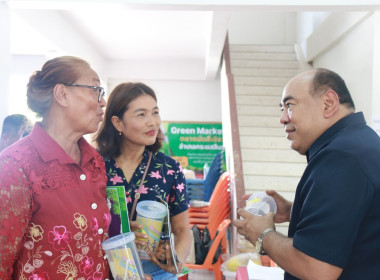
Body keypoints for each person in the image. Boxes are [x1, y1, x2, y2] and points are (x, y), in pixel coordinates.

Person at [233, 68, 380, 280]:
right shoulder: (360, 144)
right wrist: (296, 211)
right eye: (281, 109)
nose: (283, 119)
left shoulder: (341, 157)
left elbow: (317, 268)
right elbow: (355, 219)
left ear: (328, 103)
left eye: (290, 105)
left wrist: (263, 235)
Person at [0, 56, 112, 279]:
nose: (103, 102)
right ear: (62, 94)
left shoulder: (94, 161)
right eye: (96, 90)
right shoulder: (16, 164)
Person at [96, 82, 191, 279]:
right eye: (141, 114)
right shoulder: (94, 166)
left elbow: (182, 229)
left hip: (156, 273)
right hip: (107, 270)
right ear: (118, 123)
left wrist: (176, 261)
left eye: (155, 113)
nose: (153, 122)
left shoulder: (169, 169)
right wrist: (118, 228)